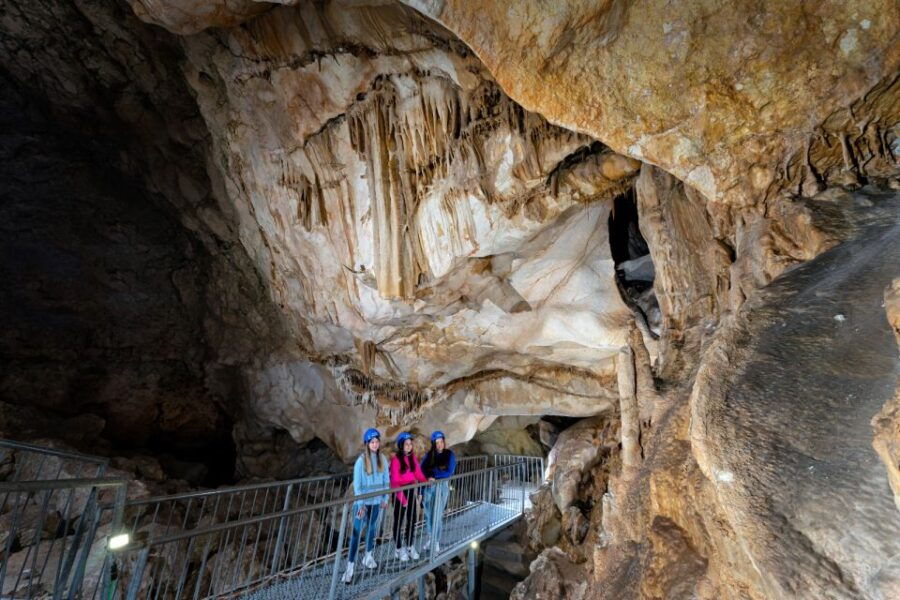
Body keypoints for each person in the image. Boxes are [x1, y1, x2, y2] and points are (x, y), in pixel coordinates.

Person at [342, 428, 390, 584]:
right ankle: (350, 567)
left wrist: (385, 497)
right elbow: (358, 485)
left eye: (377, 442)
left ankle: (368, 556)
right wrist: (361, 504)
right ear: (367, 444)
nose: (375, 444)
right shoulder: (361, 462)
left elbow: (386, 481)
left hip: (376, 502)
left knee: (372, 529)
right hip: (362, 504)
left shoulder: (382, 459)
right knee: (356, 534)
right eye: (372, 442)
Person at [390, 432, 427, 562]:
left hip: (411, 490)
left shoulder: (413, 458)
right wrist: (403, 499)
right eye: (406, 444)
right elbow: (394, 482)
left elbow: (419, 474)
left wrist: (427, 481)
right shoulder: (395, 460)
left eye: (410, 444)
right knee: (399, 521)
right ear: (401, 445)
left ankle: (410, 546)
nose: (409, 446)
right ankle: (399, 548)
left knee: (412, 519)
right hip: (400, 492)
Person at [420, 430, 456, 552]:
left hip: (441, 486)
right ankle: (431, 538)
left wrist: (433, 473)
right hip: (429, 487)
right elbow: (422, 469)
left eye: (441, 442)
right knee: (428, 514)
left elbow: (449, 471)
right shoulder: (429, 455)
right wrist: (433, 473)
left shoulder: (449, 454)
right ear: (433, 444)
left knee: (437, 514)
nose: (439, 444)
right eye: (437, 442)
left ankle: (436, 541)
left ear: (443, 442)